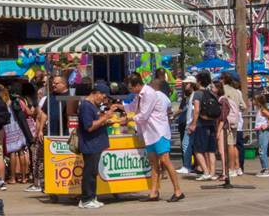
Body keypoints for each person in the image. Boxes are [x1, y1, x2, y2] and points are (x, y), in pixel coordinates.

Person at [126, 73, 185, 202]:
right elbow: (132, 107)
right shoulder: (139, 96)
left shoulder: (149, 94)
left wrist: (128, 118)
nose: (130, 91)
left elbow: (143, 115)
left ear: (137, 85)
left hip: (159, 132)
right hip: (149, 133)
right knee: (153, 163)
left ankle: (178, 190)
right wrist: (119, 106)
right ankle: (154, 192)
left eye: (131, 88)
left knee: (165, 161)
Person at [76, 83, 120, 209]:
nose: (104, 100)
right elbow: (89, 126)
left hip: (95, 144)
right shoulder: (86, 106)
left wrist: (107, 120)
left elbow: (97, 123)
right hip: (90, 144)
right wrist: (105, 117)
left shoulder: (92, 106)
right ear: (97, 93)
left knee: (93, 172)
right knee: (89, 172)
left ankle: (92, 197)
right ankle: (86, 199)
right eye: (103, 97)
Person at [188, 72, 220, 180]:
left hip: (201, 124)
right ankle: (212, 173)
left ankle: (205, 172)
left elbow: (196, 110)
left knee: (197, 150)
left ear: (199, 81)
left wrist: (193, 124)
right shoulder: (211, 93)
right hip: (211, 123)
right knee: (211, 150)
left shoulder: (197, 94)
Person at [218, 74, 247, 177]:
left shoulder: (223, 90)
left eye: (221, 78)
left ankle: (231, 168)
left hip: (226, 120)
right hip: (235, 121)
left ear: (224, 80)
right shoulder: (237, 92)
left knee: (228, 145)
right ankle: (237, 167)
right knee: (234, 145)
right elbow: (244, 106)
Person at [250, 92, 269, 177]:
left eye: (254, 100)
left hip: (263, 132)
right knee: (261, 150)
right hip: (260, 131)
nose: (252, 101)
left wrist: (266, 125)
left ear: (258, 101)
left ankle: (266, 169)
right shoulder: (260, 110)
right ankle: (264, 168)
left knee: (262, 150)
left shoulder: (263, 110)